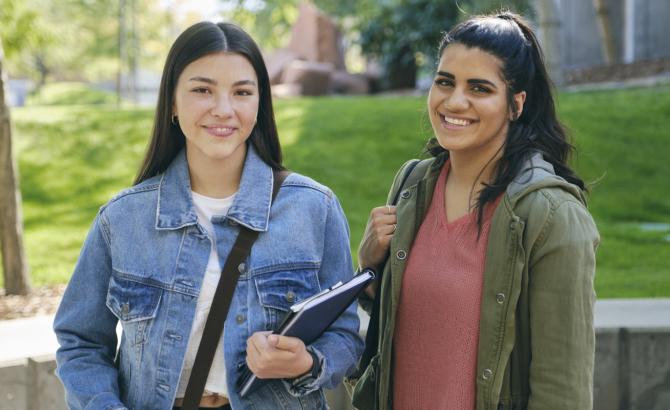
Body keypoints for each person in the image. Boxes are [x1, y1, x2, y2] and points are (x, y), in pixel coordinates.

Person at [54, 21, 363, 410]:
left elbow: (346, 337)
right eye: (202, 90)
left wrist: (306, 362)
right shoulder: (122, 219)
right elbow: (81, 341)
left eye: (241, 92)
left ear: (259, 103)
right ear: (171, 101)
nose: (223, 109)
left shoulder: (314, 209)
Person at [352, 12, 599, 410]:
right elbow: (407, 321)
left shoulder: (551, 216)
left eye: (479, 88)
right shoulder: (412, 185)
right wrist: (369, 269)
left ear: (516, 104)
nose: (455, 101)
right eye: (445, 82)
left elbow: (562, 387)